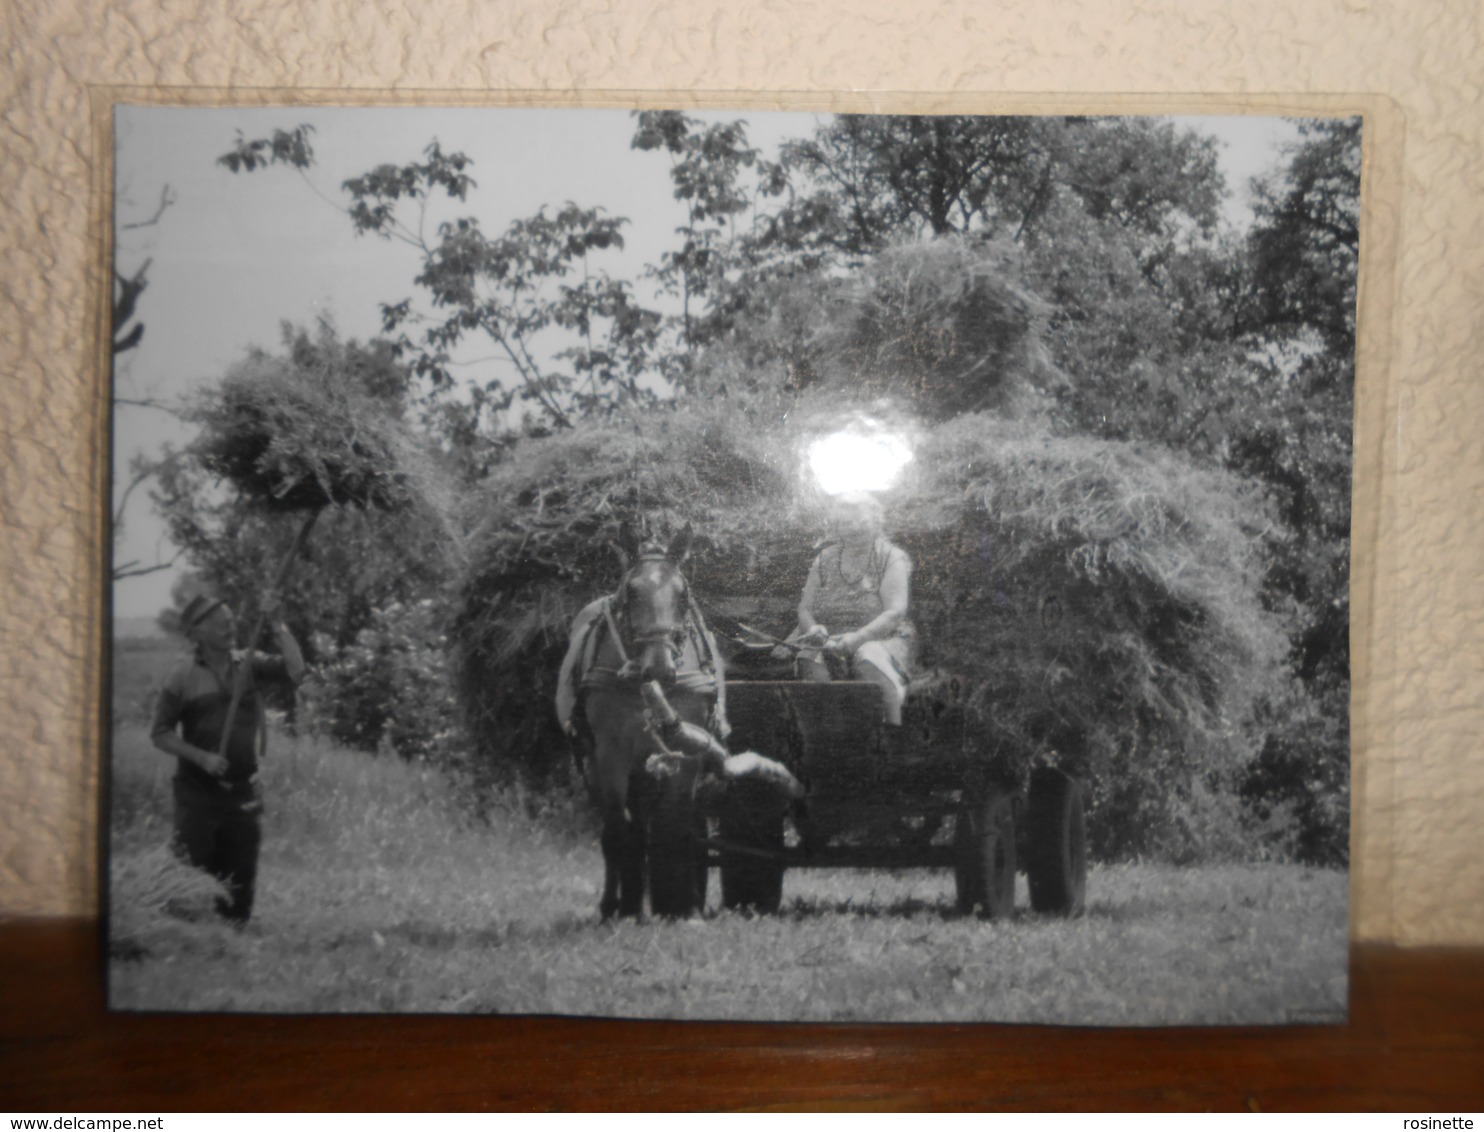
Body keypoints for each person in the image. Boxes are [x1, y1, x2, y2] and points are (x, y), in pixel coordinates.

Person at [150, 592, 304, 924]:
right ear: (197, 632)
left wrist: (277, 623)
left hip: (242, 791)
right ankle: (180, 937)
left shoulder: (249, 665)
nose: (228, 627)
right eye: (220, 623)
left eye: (231, 622)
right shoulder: (183, 676)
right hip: (197, 793)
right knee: (189, 869)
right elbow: (160, 732)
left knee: (240, 874)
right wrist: (201, 757)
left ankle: (233, 937)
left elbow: (296, 669)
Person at [792, 496, 913, 725]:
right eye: (846, 523)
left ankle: (890, 733)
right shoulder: (824, 558)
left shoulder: (890, 557)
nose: (854, 528)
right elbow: (805, 607)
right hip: (832, 638)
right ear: (837, 526)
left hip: (883, 637)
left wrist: (857, 638)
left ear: (876, 522)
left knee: (868, 659)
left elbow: (895, 612)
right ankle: (829, 732)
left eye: (861, 522)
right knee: (810, 660)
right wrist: (813, 628)